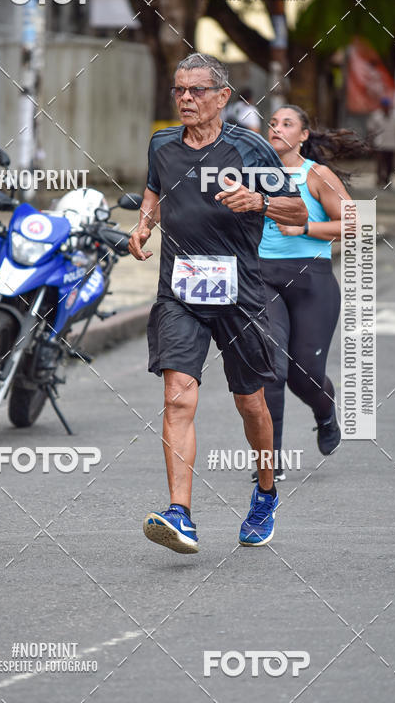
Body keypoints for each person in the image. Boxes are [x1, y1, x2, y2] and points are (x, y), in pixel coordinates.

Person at [128, 53, 307, 553]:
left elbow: (295, 209)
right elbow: (155, 191)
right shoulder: (162, 144)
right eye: (179, 91)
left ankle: (266, 490)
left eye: (197, 91)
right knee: (178, 396)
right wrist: (144, 224)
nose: (186, 99)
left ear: (222, 97)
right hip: (180, 290)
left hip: (240, 291)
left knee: (251, 403)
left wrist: (261, 202)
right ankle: (179, 514)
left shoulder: (249, 151)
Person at [255, 105, 366, 482]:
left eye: (287, 124)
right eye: (273, 123)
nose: (277, 128)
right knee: (271, 369)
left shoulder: (316, 175)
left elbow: (353, 223)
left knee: (304, 374)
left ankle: (325, 413)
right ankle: (270, 464)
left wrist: (303, 230)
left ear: (303, 135)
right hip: (262, 278)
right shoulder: (253, 174)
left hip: (312, 281)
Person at [367, 96, 395, 188]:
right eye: (384, 106)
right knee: (380, 163)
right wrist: (370, 143)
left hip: (392, 144)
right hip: (380, 144)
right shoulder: (376, 116)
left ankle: (387, 179)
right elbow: (371, 130)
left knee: (390, 164)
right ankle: (379, 179)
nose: (386, 108)